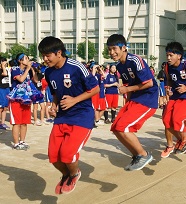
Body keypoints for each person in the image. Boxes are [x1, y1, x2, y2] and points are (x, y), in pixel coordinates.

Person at [38, 36, 99, 194]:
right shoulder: (49, 72)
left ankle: (74, 173)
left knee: (67, 154)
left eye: (47, 55)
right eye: (42, 56)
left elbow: (95, 89)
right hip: (62, 117)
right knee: (53, 156)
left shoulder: (76, 66)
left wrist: (74, 100)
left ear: (59, 53)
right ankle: (66, 175)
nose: (45, 59)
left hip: (81, 116)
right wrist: (53, 105)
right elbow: (56, 93)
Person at [107, 34, 158, 171]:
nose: (111, 53)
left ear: (124, 48)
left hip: (147, 99)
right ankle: (137, 155)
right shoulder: (120, 66)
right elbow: (128, 86)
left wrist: (127, 89)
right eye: (109, 50)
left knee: (124, 127)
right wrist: (127, 104)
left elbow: (148, 83)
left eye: (114, 49)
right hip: (134, 99)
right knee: (116, 128)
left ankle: (143, 154)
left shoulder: (135, 60)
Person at [8, 53, 41, 150]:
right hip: (16, 99)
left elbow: (35, 80)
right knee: (16, 123)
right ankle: (16, 143)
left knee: (24, 122)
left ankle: (22, 141)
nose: (28, 60)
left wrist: (33, 70)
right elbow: (21, 79)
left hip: (26, 99)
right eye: (26, 58)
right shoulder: (15, 69)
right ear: (20, 60)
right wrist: (27, 69)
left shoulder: (29, 70)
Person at [0, 57, 10, 129]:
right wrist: (2, 66)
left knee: (5, 107)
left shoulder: (6, 69)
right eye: (3, 62)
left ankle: (2, 123)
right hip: (1, 89)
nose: (5, 63)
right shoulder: (2, 70)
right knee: (1, 107)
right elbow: (4, 74)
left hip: (7, 88)